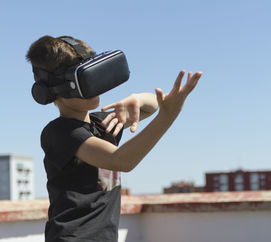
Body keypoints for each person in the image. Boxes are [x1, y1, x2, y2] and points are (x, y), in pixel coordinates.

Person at [26, 35, 202, 242]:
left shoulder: (103, 123)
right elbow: (120, 160)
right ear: (54, 91)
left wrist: (136, 98)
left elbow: (151, 105)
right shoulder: (59, 132)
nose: (95, 85)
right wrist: (168, 116)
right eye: (83, 79)